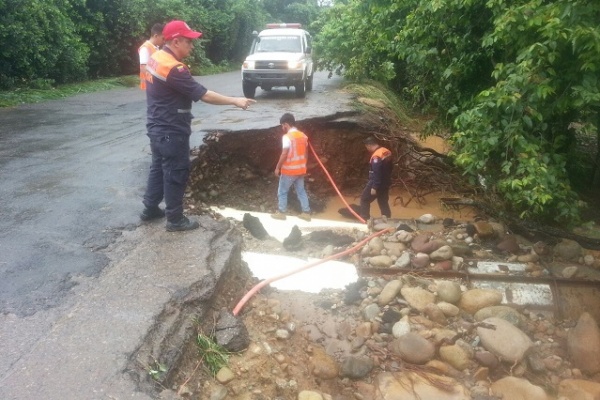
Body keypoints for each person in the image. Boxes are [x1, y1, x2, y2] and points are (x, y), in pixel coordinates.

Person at [141, 20, 256, 231]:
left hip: (156, 125)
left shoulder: (156, 57)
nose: (192, 46)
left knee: (158, 167)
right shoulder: (174, 68)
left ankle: (149, 209)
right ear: (176, 41)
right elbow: (204, 95)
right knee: (176, 171)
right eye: (189, 42)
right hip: (171, 128)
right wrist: (235, 101)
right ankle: (175, 220)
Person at [271, 113, 312, 222]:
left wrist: (277, 167)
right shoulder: (303, 136)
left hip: (289, 170)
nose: (282, 127)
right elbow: (306, 153)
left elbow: (284, 154)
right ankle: (306, 213)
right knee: (301, 191)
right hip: (301, 170)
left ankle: (281, 212)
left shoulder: (287, 137)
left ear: (286, 124)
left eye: (282, 125)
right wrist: (303, 165)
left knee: (282, 191)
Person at [360, 136, 393, 221]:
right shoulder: (386, 151)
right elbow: (390, 167)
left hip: (377, 182)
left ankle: (364, 219)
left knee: (364, 199)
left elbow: (377, 172)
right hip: (386, 181)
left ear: (369, 145)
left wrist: (374, 187)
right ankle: (387, 219)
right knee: (383, 201)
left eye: (366, 147)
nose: (367, 149)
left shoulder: (376, 156)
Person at [138, 23, 164, 90]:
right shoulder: (145, 48)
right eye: (162, 38)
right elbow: (143, 68)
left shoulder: (155, 48)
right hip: (151, 84)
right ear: (156, 36)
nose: (163, 41)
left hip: (155, 84)